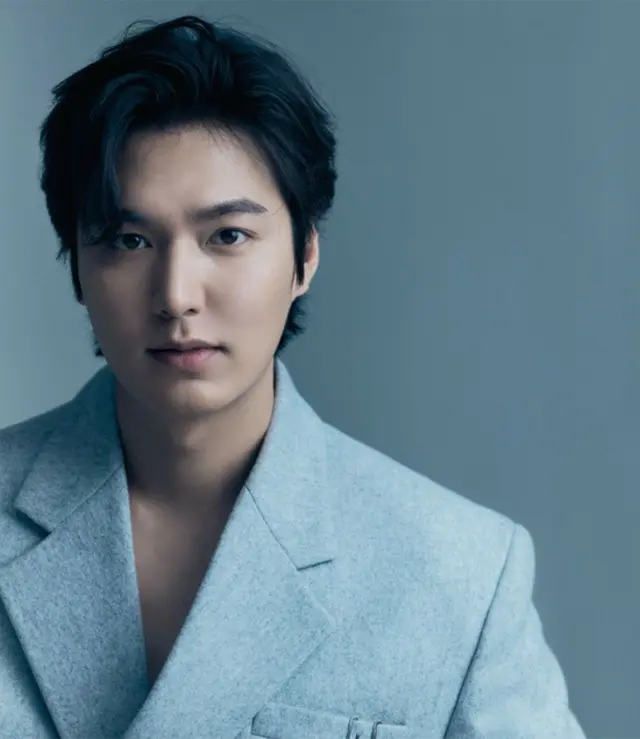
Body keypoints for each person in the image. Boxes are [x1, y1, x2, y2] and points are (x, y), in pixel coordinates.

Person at [0, 14, 586, 739]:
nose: (176, 294)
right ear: (77, 267)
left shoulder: (459, 572)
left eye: (228, 236)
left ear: (304, 256)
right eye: (129, 239)